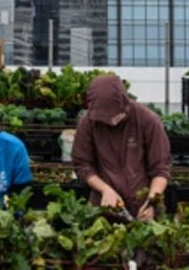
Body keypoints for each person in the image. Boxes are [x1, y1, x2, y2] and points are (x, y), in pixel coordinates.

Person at [71, 73, 171, 221]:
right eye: (105, 119)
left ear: (124, 103)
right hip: (103, 206)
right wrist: (105, 190)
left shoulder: (148, 121)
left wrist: (152, 202)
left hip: (143, 206)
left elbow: (161, 168)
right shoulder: (88, 123)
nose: (112, 122)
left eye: (116, 116)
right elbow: (82, 164)